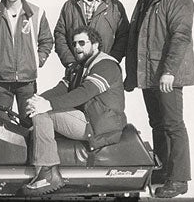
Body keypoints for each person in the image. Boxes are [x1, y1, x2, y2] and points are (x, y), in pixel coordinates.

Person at [22, 26, 127, 195]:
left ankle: (48, 173)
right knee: (39, 109)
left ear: (95, 45)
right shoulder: (78, 67)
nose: (77, 47)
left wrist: (46, 106)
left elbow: (84, 93)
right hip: (87, 119)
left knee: (42, 113)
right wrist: (38, 99)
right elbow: (61, 89)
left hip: (100, 124)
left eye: (82, 43)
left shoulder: (106, 65)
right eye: (74, 43)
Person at [124, 0, 194, 198]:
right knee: (157, 124)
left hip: (166, 75)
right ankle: (164, 169)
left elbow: (180, 37)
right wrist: (132, 75)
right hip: (149, 74)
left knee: (173, 125)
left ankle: (179, 179)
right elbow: (136, 35)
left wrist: (169, 72)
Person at [54, 0, 129, 67]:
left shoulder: (115, 7)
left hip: (105, 70)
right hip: (76, 71)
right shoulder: (69, 6)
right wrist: (70, 62)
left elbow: (123, 36)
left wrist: (111, 61)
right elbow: (60, 35)